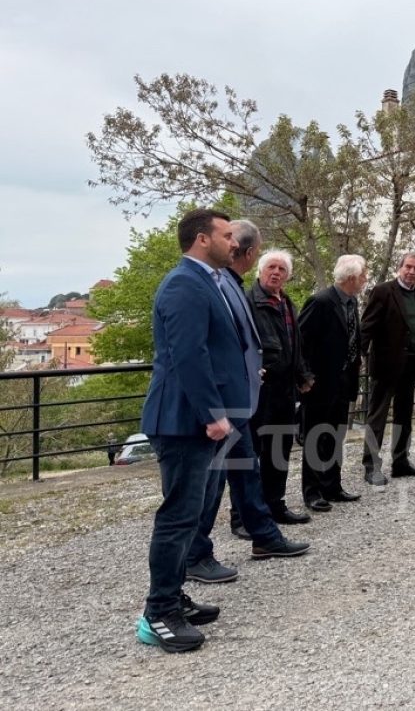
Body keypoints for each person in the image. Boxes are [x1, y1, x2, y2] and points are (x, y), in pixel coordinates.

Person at [136, 209, 238, 653]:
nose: (234, 242)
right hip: (181, 419)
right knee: (178, 517)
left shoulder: (205, 280)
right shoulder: (184, 283)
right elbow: (188, 355)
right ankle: (158, 614)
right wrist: (213, 413)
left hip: (192, 418)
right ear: (202, 239)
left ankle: (173, 595)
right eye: (226, 234)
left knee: (189, 515)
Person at [193, 220, 306, 577]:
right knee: (213, 482)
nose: (231, 245)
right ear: (253, 253)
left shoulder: (230, 283)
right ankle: (195, 554)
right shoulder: (216, 283)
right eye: (227, 238)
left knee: (247, 469)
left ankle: (264, 535)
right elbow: (197, 349)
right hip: (226, 399)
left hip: (246, 392)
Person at [245, 248, 314, 527]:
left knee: (279, 451)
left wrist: (303, 375)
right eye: (271, 267)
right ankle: (244, 514)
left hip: (285, 390)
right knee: (250, 454)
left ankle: (275, 505)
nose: (276, 272)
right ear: (260, 271)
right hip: (259, 389)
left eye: (282, 269)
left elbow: (294, 345)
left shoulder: (286, 302)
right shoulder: (249, 301)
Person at [298, 254, 366, 511]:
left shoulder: (352, 302)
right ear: (351, 278)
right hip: (320, 383)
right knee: (316, 436)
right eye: (362, 276)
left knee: (336, 435)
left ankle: (332, 485)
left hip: (344, 381)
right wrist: (306, 377)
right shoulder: (321, 301)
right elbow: (302, 341)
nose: (364, 280)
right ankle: (312, 491)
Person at [361, 251, 415, 484]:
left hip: (410, 365)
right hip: (386, 365)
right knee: (377, 417)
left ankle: (400, 461)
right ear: (399, 268)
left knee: (404, 415)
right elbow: (367, 326)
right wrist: (358, 355)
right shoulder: (382, 291)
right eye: (408, 267)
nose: (412, 272)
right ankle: (371, 465)